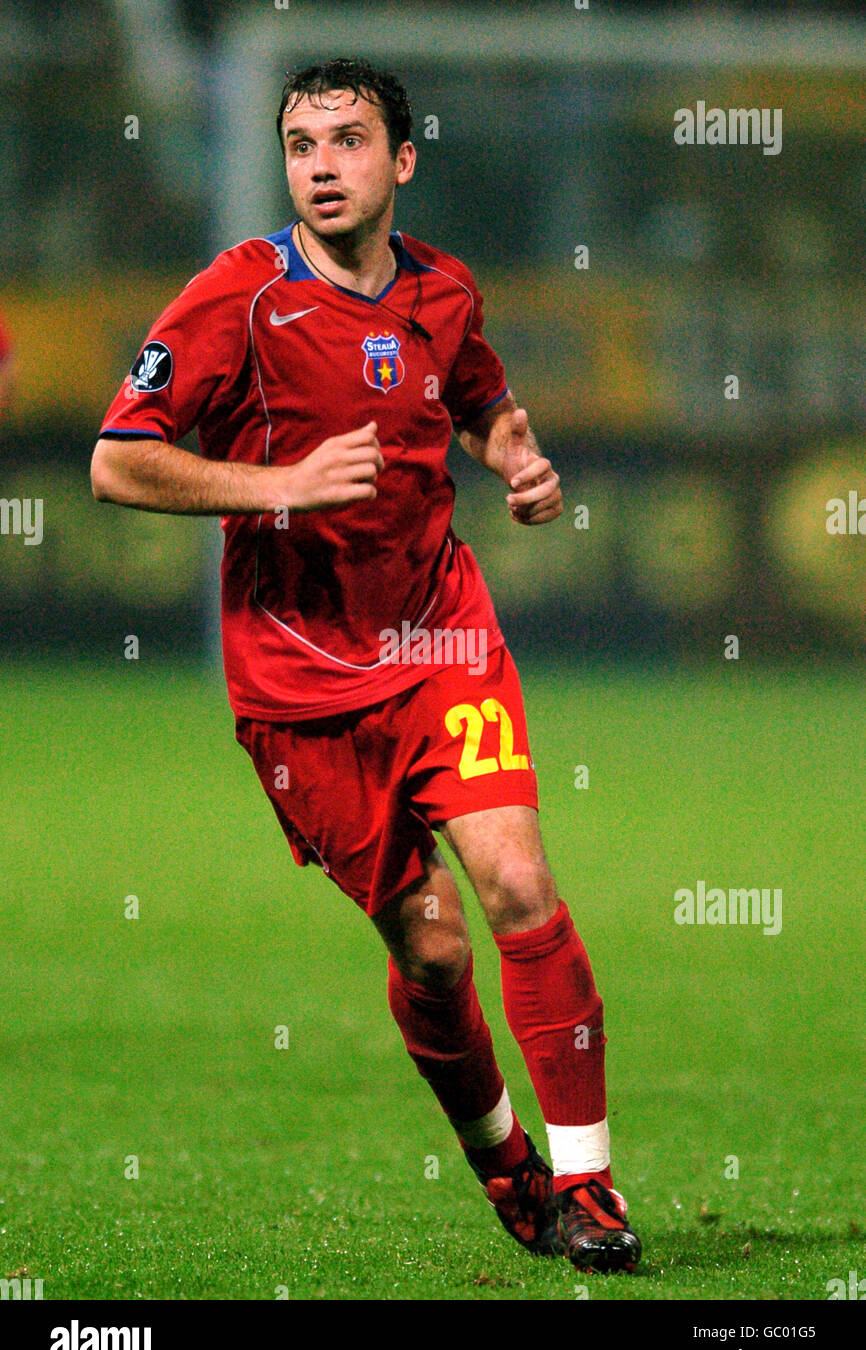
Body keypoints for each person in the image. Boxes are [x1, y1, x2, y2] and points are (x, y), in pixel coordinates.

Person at [91, 57, 641, 1274]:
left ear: (400, 159)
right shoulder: (233, 298)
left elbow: (482, 398)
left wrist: (519, 460)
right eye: (300, 145)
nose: (320, 165)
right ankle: (503, 1155)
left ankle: (590, 1185)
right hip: (296, 680)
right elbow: (118, 461)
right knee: (436, 952)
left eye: (346, 141)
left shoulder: (443, 290)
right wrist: (276, 485)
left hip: (442, 636)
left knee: (516, 886)